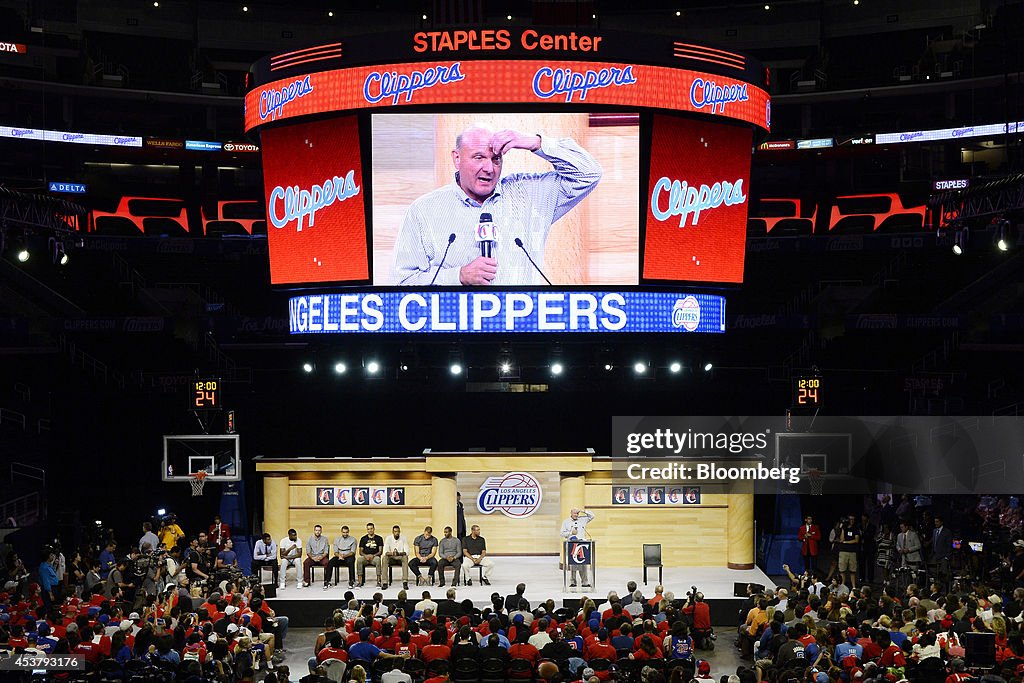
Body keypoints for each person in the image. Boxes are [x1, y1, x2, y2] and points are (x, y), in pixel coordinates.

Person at [390, 125, 602, 286]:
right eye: (479, 157)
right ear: (456, 158)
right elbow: (402, 283)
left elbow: (588, 173)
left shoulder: (530, 195)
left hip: (521, 334)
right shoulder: (424, 211)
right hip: (456, 338)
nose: (489, 168)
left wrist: (535, 143)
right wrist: (458, 276)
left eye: (496, 159)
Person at [560, 508, 595, 587]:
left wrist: (583, 510)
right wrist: (570, 533)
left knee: (584, 563)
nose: (576, 515)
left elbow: (592, 516)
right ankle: (573, 582)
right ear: (571, 513)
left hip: (582, 544)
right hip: (572, 545)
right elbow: (562, 533)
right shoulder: (566, 522)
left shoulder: (582, 520)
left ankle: (585, 582)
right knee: (573, 563)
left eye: (577, 513)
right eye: (575, 513)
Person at [383, 525, 411, 590]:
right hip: (391, 557)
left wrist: (399, 553)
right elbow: (385, 552)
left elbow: (407, 552)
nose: (397, 533)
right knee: (384, 558)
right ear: (393, 532)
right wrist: (392, 553)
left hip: (400, 557)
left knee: (405, 557)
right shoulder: (388, 538)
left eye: (398, 531)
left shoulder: (403, 538)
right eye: (395, 531)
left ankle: (405, 581)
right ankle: (384, 582)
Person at [357, 523, 384, 587]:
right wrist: (365, 556)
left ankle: (378, 581)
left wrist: (373, 555)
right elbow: (360, 552)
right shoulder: (363, 538)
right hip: (365, 557)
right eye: (368, 529)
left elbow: (380, 551)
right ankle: (359, 581)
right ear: (367, 530)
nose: (370, 530)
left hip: (375, 557)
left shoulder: (379, 538)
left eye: (371, 528)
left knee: (378, 560)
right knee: (359, 560)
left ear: (374, 529)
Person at [836, 514, 860, 589]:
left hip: (852, 552)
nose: (851, 521)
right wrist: (842, 528)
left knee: (852, 570)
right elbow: (842, 539)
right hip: (843, 551)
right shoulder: (844, 528)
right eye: (850, 519)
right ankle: (843, 585)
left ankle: (853, 586)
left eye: (853, 519)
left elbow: (856, 540)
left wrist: (846, 542)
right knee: (842, 569)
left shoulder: (856, 528)